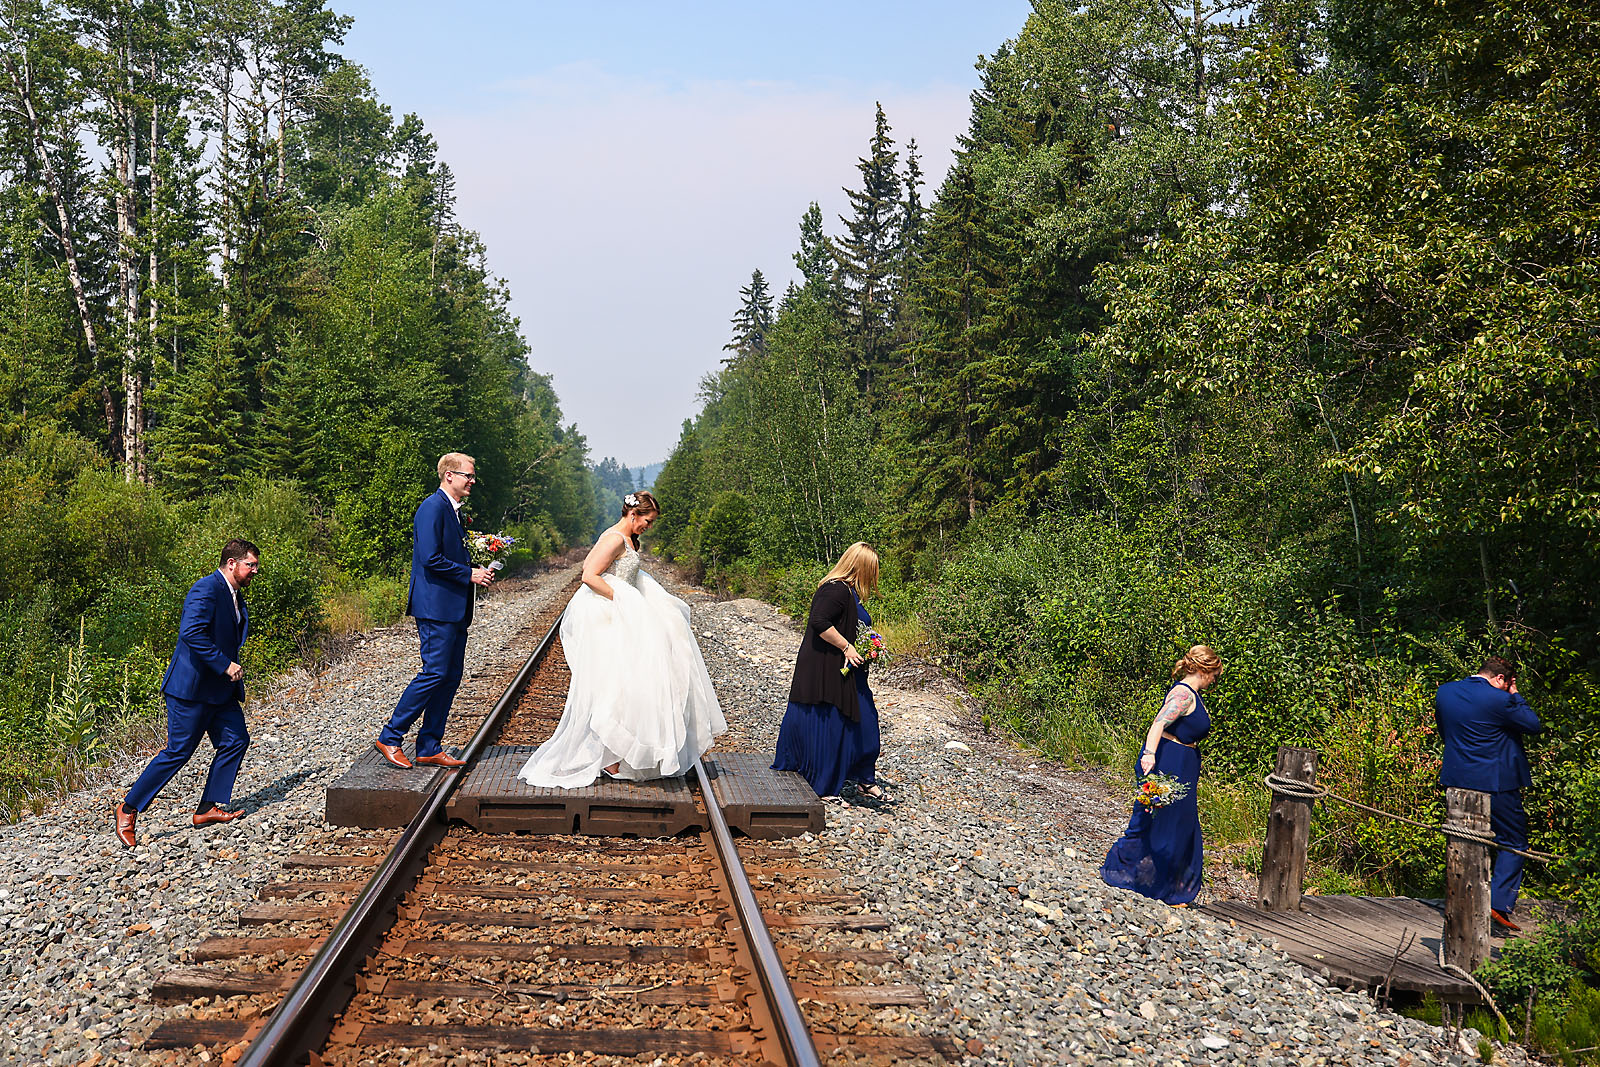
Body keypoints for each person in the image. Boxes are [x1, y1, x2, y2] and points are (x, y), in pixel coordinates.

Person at [517, 492, 726, 786]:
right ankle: (611, 759)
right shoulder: (615, 539)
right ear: (633, 514)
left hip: (623, 612)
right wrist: (624, 600)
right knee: (617, 685)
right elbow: (589, 575)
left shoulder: (627, 539)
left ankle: (619, 755)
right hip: (610, 616)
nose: (648, 527)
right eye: (647, 521)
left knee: (628, 684)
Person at [115, 539, 262, 847]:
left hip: (220, 690)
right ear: (232, 563)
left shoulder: (235, 594)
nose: (255, 571)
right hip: (191, 689)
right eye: (251, 565)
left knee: (236, 740)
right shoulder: (205, 589)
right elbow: (191, 632)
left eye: (256, 566)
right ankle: (128, 809)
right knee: (178, 752)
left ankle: (207, 808)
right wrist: (225, 665)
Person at [375, 452, 495, 770]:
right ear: (448, 476)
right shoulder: (432, 507)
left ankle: (429, 746)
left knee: (450, 677)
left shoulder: (453, 511)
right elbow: (430, 558)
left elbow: (448, 556)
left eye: (473, 476)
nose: (472, 481)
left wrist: (476, 569)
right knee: (434, 673)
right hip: (435, 608)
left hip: (453, 608)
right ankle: (390, 736)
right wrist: (469, 574)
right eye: (468, 475)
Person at [1099, 644, 1222, 906]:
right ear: (1204, 670)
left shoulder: (1193, 695)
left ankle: (1166, 886)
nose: (1214, 681)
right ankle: (1139, 877)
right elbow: (1159, 723)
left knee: (1179, 825)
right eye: (1214, 675)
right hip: (1169, 763)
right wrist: (1149, 755)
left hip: (1183, 764)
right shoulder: (1183, 694)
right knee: (1161, 822)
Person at [772, 543, 888, 801]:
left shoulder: (849, 593)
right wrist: (847, 646)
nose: (874, 575)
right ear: (860, 567)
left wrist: (870, 645)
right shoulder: (835, 589)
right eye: (872, 569)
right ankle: (835, 781)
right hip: (828, 670)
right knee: (843, 723)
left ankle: (863, 778)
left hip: (849, 672)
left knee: (865, 721)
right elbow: (819, 621)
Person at [1435, 655, 1543, 931]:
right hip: (1496, 782)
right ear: (1501, 679)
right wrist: (1515, 694)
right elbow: (1533, 725)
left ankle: (1464, 900)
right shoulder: (1501, 699)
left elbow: (1445, 732)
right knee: (1513, 842)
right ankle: (1497, 904)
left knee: (1464, 839)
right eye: (1508, 683)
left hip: (1456, 779)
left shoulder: (1445, 691)